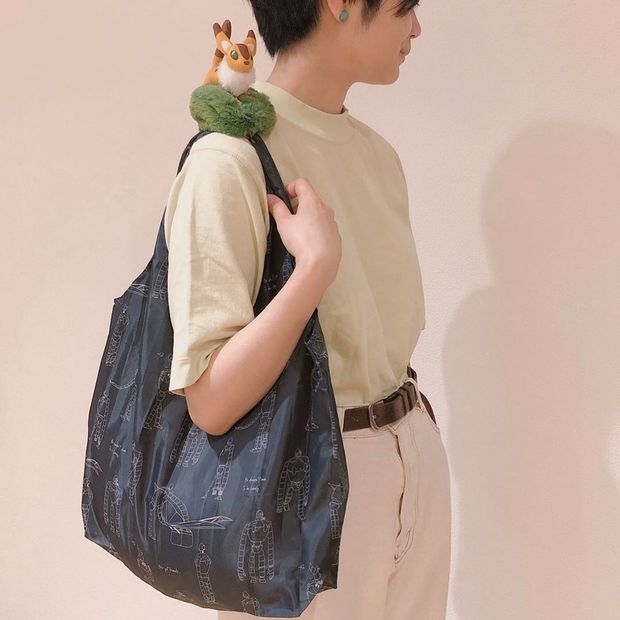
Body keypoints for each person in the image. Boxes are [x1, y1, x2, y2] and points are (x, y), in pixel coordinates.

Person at [163, 0, 451, 618]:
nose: (417, 27)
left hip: (413, 455)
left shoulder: (378, 155)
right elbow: (210, 401)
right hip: (307, 476)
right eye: (405, 7)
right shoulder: (231, 158)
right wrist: (313, 271)